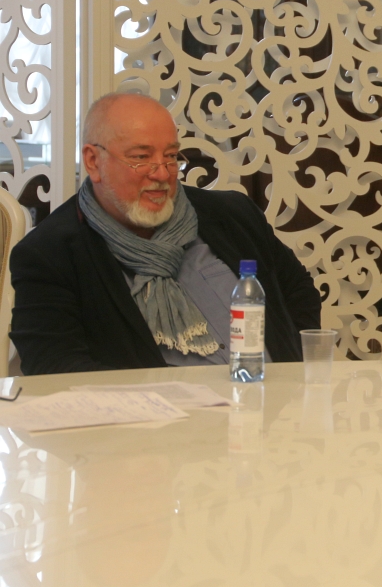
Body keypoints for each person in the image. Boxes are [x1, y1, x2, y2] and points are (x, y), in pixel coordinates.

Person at [10, 93, 322, 375]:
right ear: (93, 161)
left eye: (171, 156)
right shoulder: (49, 254)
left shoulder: (232, 215)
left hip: (271, 407)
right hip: (154, 417)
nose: (161, 173)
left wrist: (288, 373)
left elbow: (298, 291)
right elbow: (54, 366)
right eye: (140, 157)